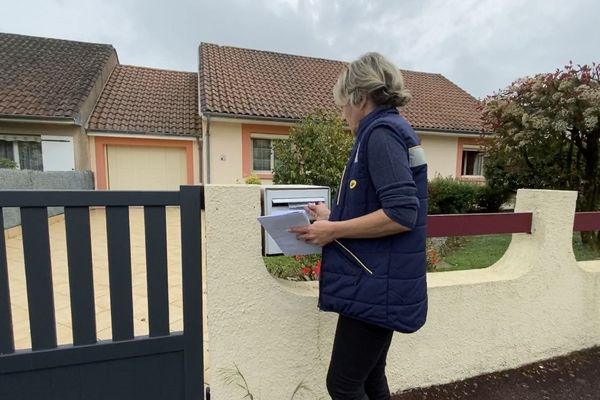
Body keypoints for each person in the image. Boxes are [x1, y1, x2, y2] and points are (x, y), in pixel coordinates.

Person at [289, 52, 428, 399]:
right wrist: (332, 217)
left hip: (374, 282)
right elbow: (381, 205)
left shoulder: (380, 133)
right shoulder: (391, 129)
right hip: (380, 280)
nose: (343, 115)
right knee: (369, 378)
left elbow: (401, 213)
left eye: (343, 106)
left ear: (359, 97)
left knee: (343, 384)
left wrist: (333, 230)